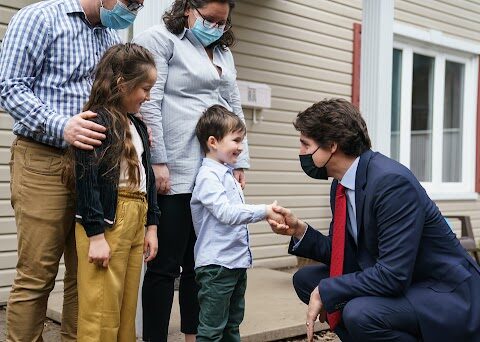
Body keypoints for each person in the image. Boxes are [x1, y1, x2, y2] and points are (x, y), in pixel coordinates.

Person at [268, 98, 480, 342]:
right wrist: (299, 230)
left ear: (332, 146)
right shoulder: (341, 183)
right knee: (307, 280)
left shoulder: (391, 183)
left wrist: (328, 290)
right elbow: (343, 254)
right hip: (402, 278)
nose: (301, 152)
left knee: (362, 313)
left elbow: (393, 275)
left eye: (305, 144)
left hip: (441, 289)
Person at [0, 0, 143, 340]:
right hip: (44, 159)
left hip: (96, 167)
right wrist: (61, 125)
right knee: (38, 273)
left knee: (86, 274)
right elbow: (9, 86)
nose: (134, 8)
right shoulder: (39, 18)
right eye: (130, 1)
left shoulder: (110, 37)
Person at [133, 1, 246, 340]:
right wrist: (158, 160)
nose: (215, 27)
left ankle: (193, 336)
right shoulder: (161, 39)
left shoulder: (222, 53)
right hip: (176, 170)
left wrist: (240, 161)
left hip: (213, 173)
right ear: (187, 8)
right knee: (164, 267)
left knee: (201, 266)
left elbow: (234, 104)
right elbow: (149, 103)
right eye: (209, 19)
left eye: (221, 22)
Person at [63, 43, 160, 341]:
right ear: (122, 84)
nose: (148, 95)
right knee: (101, 309)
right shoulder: (95, 121)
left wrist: (151, 226)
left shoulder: (137, 126)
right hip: (107, 222)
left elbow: (149, 177)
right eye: (144, 88)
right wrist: (95, 236)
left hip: (136, 215)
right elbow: (87, 180)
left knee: (126, 308)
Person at [191, 105, 283, 341]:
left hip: (235, 263)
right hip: (216, 266)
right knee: (211, 331)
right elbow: (227, 213)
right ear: (213, 142)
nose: (241, 147)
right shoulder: (208, 177)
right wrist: (264, 211)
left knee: (232, 325)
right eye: (236, 140)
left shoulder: (226, 174)